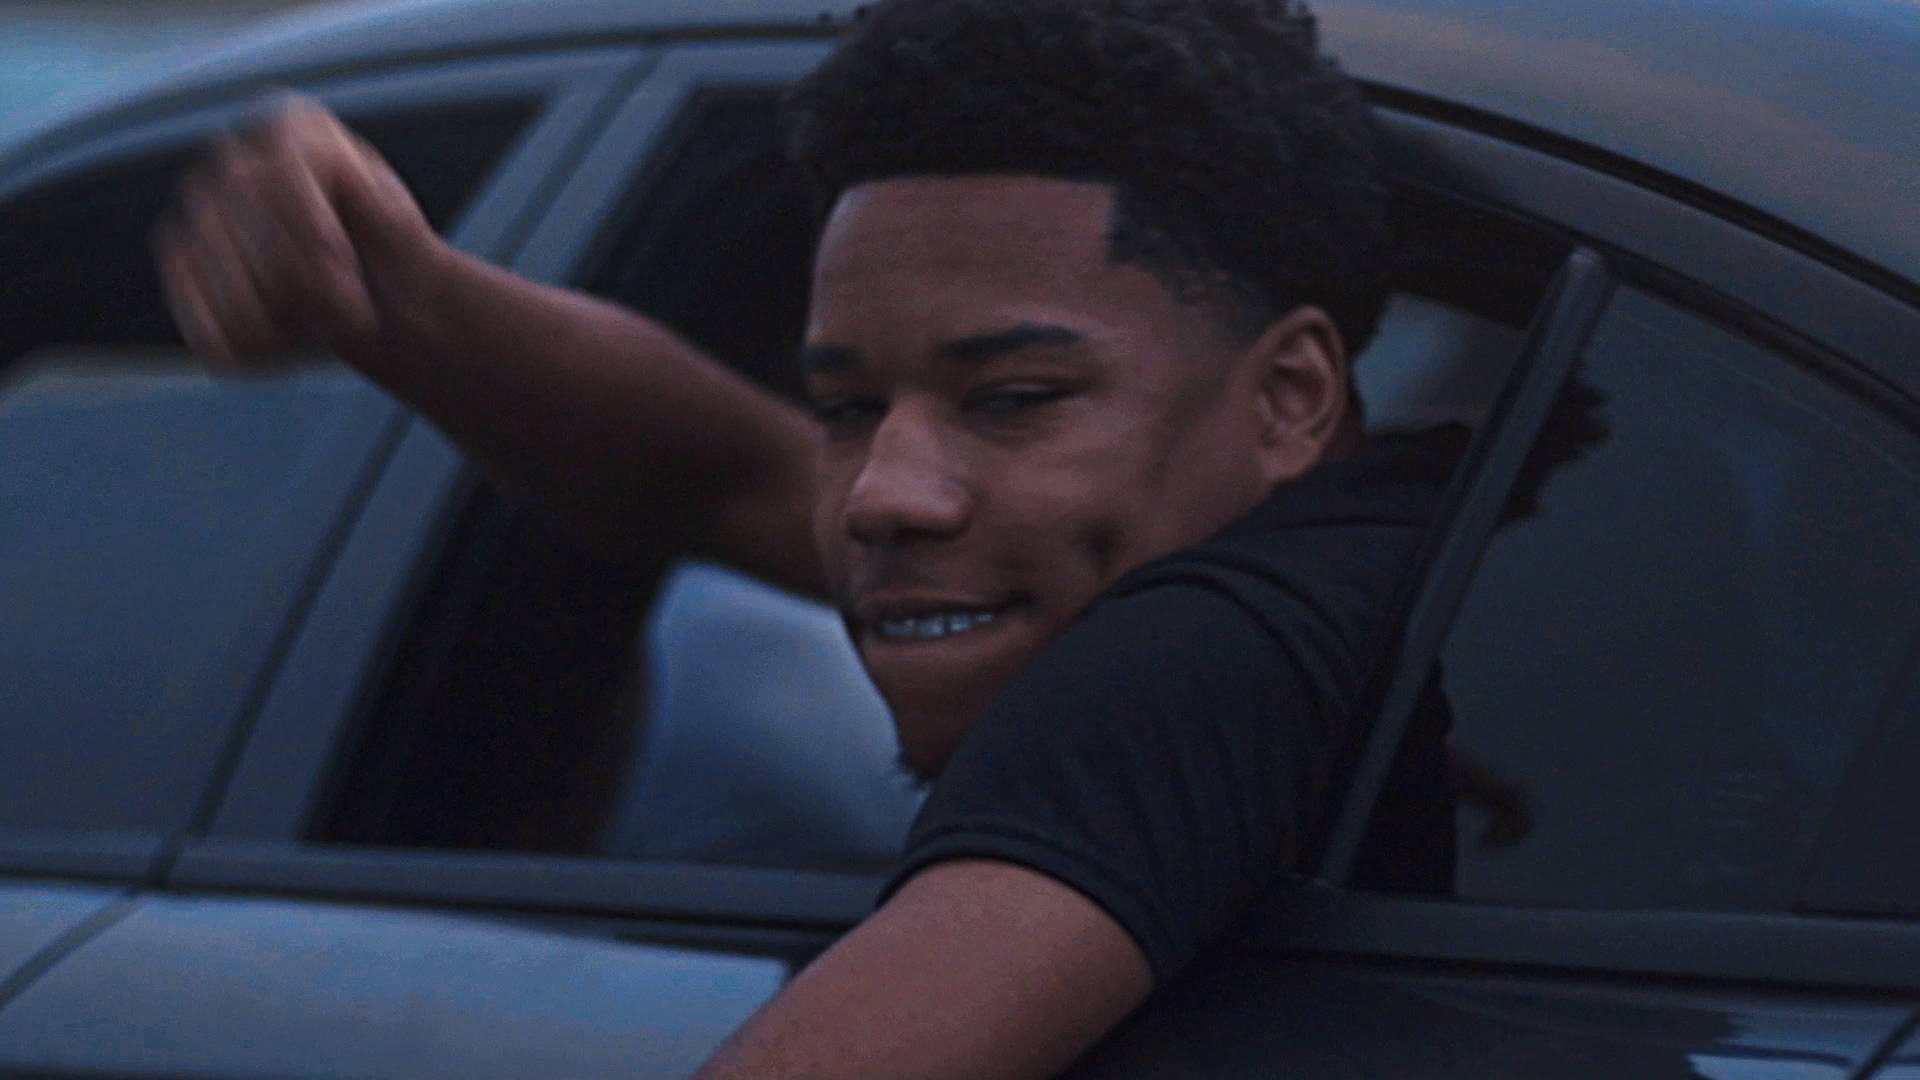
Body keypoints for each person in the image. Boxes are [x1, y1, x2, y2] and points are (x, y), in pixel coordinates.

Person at [154, 0, 1457, 1075]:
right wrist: (397, 293)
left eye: (1012, 398)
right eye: (848, 406)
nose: (883, 494)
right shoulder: (1441, 554)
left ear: (1291, 396)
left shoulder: (1186, 657)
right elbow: (713, 474)